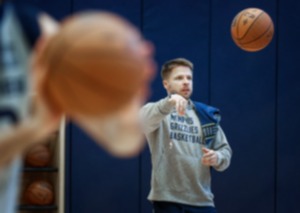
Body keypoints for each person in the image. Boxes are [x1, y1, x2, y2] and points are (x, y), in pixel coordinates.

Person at [139, 58, 232, 213]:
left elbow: (225, 151)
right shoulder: (157, 112)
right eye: (179, 78)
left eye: (189, 78)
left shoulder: (206, 115)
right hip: (167, 200)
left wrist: (218, 157)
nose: (186, 82)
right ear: (165, 84)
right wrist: (169, 102)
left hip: (203, 200)